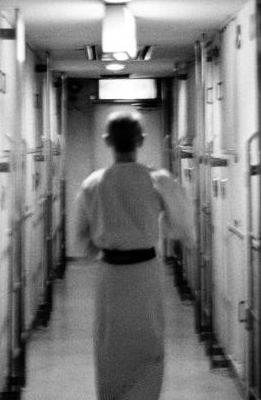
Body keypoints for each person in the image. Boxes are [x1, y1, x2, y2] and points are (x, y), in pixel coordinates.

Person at [72, 110, 194, 400]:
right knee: (148, 342)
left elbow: (82, 241)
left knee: (110, 346)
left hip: (111, 276)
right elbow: (182, 226)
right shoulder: (158, 180)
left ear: (107, 141)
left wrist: (103, 240)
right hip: (145, 273)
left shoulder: (93, 184)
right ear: (141, 140)